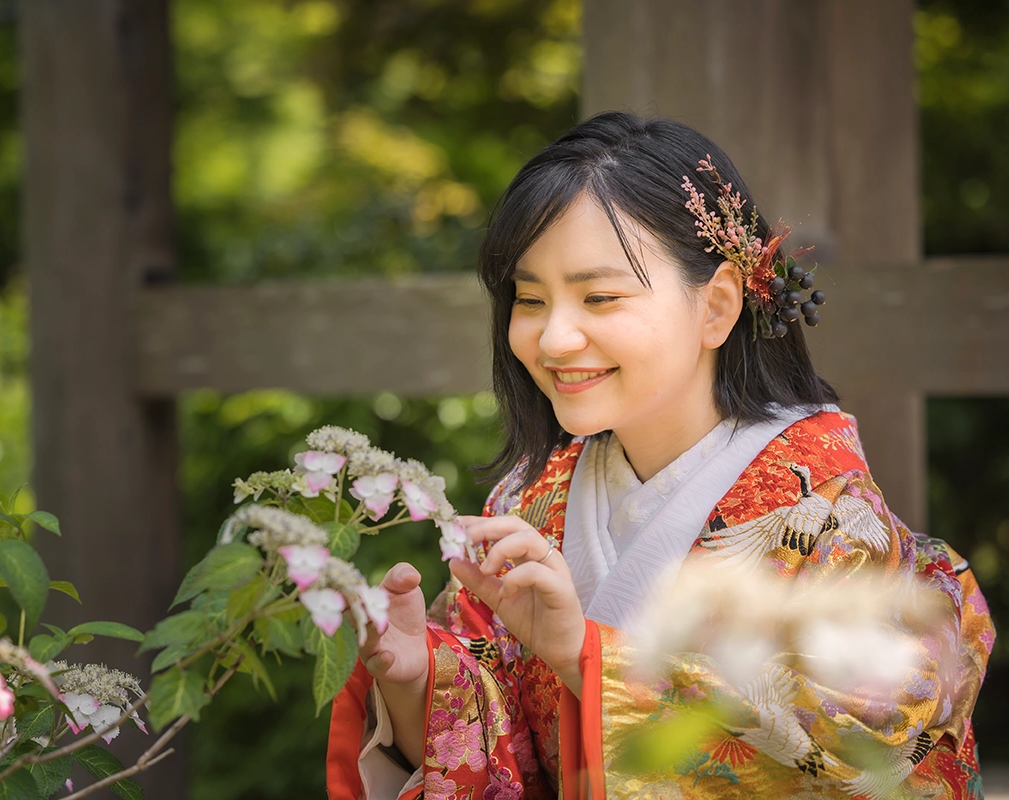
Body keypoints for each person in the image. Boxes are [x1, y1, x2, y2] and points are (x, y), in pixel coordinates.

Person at [325, 111, 995, 799]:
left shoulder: (831, 522)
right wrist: (415, 684)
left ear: (717, 306)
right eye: (530, 299)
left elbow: (861, 758)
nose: (553, 339)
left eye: (599, 297)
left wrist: (585, 659)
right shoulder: (529, 500)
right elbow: (496, 740)